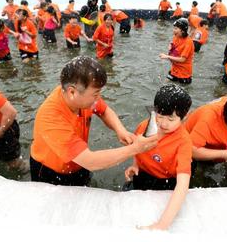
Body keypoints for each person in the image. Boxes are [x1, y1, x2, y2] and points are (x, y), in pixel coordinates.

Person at [30, 56, 157, 186]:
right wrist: (135, 149)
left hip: (78, 164)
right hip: (52, 172)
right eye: (95, 94)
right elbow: (90, 161)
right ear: (72, 92)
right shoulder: (51, 117)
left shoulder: (84, 99)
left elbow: (104, 111)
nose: (98, 99)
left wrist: (121, 130)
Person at [125, 84, 192, 230]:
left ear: (184, 117)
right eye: (160, 116)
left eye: (171, 119)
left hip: (164, 181)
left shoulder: (183, 142)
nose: (163, 123)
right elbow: (138, 148)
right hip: (142, 173)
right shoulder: (145, 125)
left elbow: (182, 185)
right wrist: (135, 163)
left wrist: (162, 224)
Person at [159, 18, 194, 85]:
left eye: (176, 29)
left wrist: (167, 57)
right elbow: (172, 42)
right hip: (174, 70)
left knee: (182, 91)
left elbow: (182, 59)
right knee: (165, 85)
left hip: (184, 74)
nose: (173, 31)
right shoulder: (176, 36)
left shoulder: (188, 42)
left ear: (183, 31)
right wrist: (170, 45)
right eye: (174, 28)